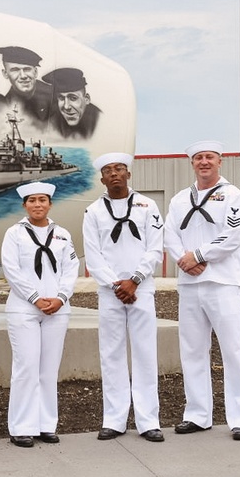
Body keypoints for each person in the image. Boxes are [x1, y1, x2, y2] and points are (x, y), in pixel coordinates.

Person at [163, 140, 240, 441]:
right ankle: (198, 414)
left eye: (210, 157)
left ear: (220, 162)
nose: (204, 162)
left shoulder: (233, 196)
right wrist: (184, 260)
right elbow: (170, 234)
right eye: (199, 158)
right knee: (192, 351)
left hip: (222, 283)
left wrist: (199, 256)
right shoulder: (179, 200)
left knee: (234, 351)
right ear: (192, 163)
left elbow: (233, 235)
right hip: (190, 284)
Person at [83, 152, 165, 443]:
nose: (114, 173)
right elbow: (92, 254)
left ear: (128, 174)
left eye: (119, 169)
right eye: (108, 170)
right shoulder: (93, 211)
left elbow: (155, 248)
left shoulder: (147, 205)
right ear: (102, 178)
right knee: (112, 355)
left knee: (145, 353)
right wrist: (115, 285)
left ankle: (148, 421)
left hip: (141, 289)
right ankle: (114, 420)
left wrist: (135, 280)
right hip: (110, 292)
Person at [1, 181, 79, 448]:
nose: (37, 205)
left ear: (50, 204)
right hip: (24, 308)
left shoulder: (62, 234)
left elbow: (71, 269)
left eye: (42, 200)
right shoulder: (14, 233)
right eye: (32, 200)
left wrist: (60, 297)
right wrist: (35, 297)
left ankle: (46, 424)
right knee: (26, 367)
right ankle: (21, 426)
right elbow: (11, 269)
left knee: (48, 370)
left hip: (57, 309)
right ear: (24, 205)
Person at [0, 46, 53, 132]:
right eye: (15, 70)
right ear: (5, 74)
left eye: (27, 69)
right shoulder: (4, 105)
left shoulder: (55, 95)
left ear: (35, 72)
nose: (23, 76)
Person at [44, 67, 101, 139]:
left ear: (87, 99)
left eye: (73, 98)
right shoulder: (53, 122)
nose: (66, 106)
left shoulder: (99, 120)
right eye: (61, 98)